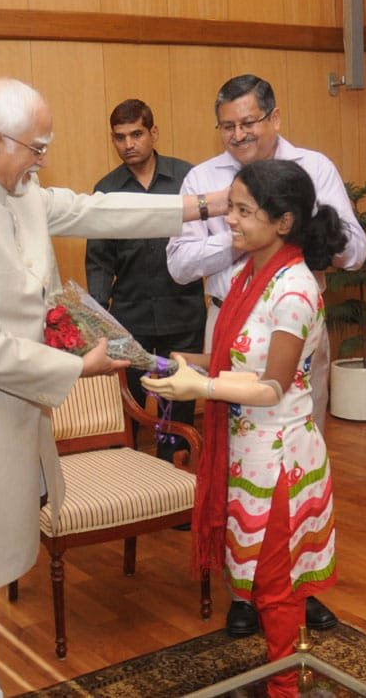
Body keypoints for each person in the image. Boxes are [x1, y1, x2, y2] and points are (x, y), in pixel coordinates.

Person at [0, 77, 228, 698]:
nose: (42, 160)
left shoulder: (11, 185)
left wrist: (201, 206)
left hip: (14, 407)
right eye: (37, 147)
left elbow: (93, 209)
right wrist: (80, 368)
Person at [165, 73, 366, 636]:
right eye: (227, 126)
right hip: (227, 318)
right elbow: (178, 265)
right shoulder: (204, 179)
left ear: (275, 118)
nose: (238, 135)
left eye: (249, 123)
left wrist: (303, 233)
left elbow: (356, 251)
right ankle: (246, 590)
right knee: (236, 461)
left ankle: (296, 581)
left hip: (294, 329)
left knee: (296, 457)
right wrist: (239, 235)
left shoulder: (315, 168)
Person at [144, 159, 343, 697]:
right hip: (246, 452)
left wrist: (199, 389)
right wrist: (166, 360)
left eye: (242, 211)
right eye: (228, 207)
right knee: (256, 580)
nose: (228, 220)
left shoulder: (294, 288)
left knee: (275, 588)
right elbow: (233, 356)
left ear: (283, 222)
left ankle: (284, 689)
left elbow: (272, 386)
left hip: (280, 460)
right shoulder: (253, 272)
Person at [86, 99, 205, 461]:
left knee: (180, 400)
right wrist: (99, 317)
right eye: (119, 137)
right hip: (129, 316)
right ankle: (136, 475)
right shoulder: (106, 188)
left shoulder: (187, 178)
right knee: (132, 402)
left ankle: (177, 479)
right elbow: (99, 260)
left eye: (136, 134)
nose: (128, 144)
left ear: (153, 132)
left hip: (182, 311)